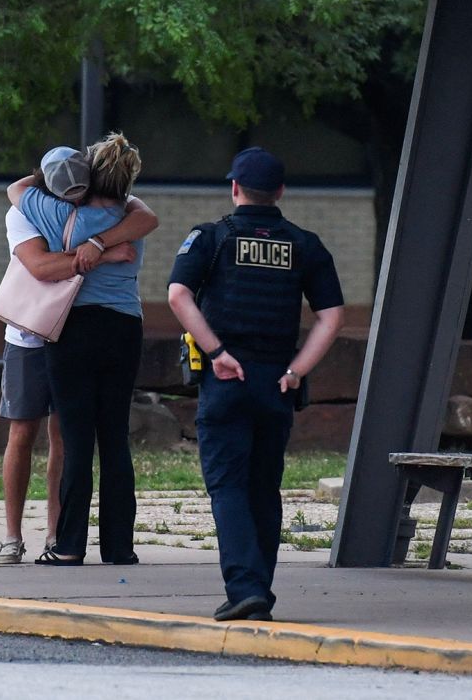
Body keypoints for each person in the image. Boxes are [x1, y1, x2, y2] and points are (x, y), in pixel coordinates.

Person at [167, 146, 344, 621]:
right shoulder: (305, 244)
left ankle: (246, 588)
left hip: (227, 379)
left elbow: (178, 294)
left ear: (234, 188)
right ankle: (258, 589)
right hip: (277, 384)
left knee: (227, 485)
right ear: (280, 192)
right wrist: (297, 370)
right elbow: (331, 316)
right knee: (264, 487)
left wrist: (217, 353)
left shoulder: (211, 237)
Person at [0, 146, 150, 565]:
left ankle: (68, 545)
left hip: (75, 327)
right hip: (125, 326)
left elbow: (16, 189)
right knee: (115, 438)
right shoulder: (129, 218)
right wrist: (104, 245)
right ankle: (119, 547)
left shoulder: (54, 212)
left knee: (77, 439)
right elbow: (149, 216)